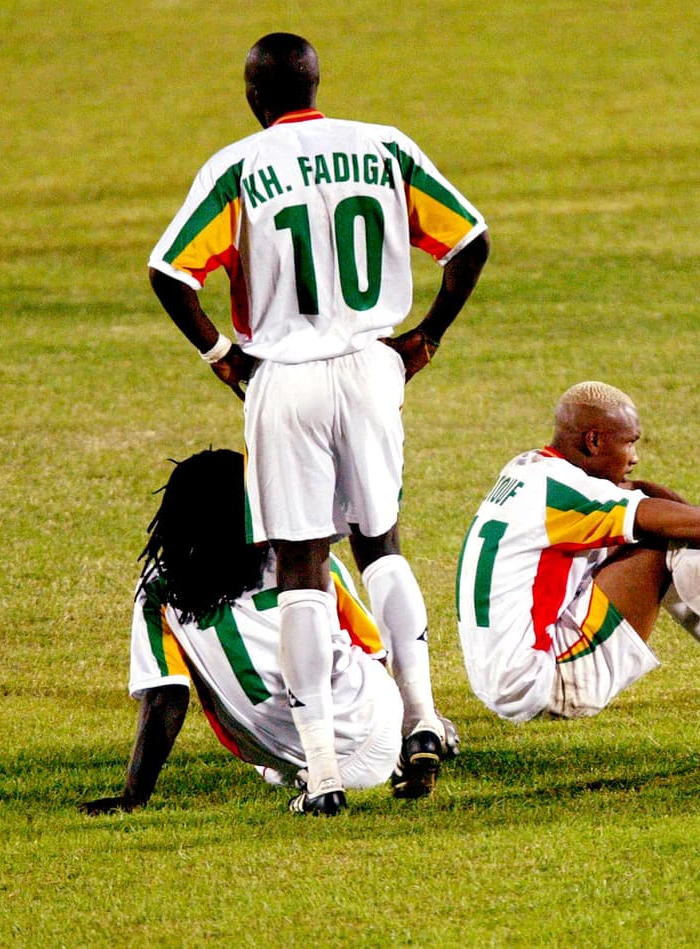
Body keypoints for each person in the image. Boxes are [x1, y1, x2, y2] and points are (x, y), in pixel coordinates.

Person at [147, 33, 489, 815]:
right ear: (315, 83)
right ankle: (421, 716)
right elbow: (471, 241)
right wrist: (427, 334)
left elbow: (169, 272)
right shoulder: (386, 147)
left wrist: (222, 355)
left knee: (302, 565)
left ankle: (324, 772)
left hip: (285, 376)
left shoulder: (237, 167)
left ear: (254, 97)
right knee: (382, 543)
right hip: (371, 366)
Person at [78, 450, 459, 816]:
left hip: (292, 757)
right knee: (354, 658)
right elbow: (374, 650)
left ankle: (319, 780)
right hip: (380, 719)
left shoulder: (160, 589)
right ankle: (423, 729)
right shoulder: (306, 561)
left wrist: (134, 796)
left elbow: (165, 697)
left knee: (270, 767)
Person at [456, 381, 700, 723]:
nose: (635, 456)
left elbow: (636, 489)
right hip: (545, 683)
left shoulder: (528, 469)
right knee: (667, 539)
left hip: (503, 678)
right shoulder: (564, 492)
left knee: (652, 528)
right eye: (629, 442)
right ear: (594, 441)